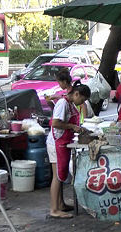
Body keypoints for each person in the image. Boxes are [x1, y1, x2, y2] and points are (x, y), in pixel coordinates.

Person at [46, 83, 91, 219]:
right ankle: (54, 209)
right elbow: (55, 123)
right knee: (57, 176)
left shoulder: (70, 104)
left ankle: (61, 204)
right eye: (82, 100)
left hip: (63, 142)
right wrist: (72, 126)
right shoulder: (62, 103)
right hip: (56, 143)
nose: (81, 103)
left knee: (61, 175)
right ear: (76, 94)